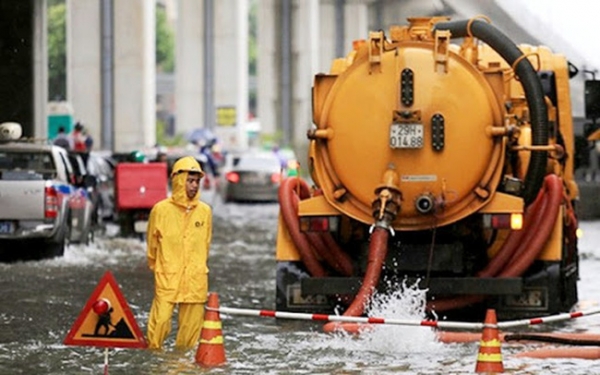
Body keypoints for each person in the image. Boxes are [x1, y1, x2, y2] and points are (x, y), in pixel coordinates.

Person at [146, 156, 213, 350]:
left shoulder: (205, 212)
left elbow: (205, 244)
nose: (193, 186)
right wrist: (160, 268)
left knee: (190, 335)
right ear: (178, 180)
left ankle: (182, 367)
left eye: (197, 182)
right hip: (168, 277)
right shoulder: (160, 210)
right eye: (190, 181)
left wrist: (197, 267)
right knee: (160, 323)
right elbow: (152, 246)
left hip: (195, 279)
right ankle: (156, 363)